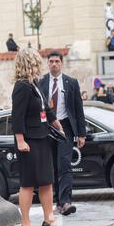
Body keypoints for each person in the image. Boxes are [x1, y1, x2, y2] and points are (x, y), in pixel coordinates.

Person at [11, 48, 68, 226]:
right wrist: (20, 140)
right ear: (29, 63)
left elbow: (44, 106)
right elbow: (17, 117)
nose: (40, 64)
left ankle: (49, 220)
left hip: (42, 138)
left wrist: (55, 122)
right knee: (28, 183)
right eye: (36, 61)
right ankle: (25, 223)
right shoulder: (21, 86)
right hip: (28, 142)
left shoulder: (34, 83)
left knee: (46, 181)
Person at [39, 51, 86, 216]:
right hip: (47, 129)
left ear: (61, 63)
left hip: (65, 127)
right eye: (51, 61)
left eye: (57, 61)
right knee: (52, 167)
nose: (54, 64)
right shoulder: (41, 83)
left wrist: (81, 134)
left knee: (64, 164)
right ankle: (58, 202)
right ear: (47, 64)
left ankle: (65, 201)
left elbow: (78, 109)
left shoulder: (71, 83)